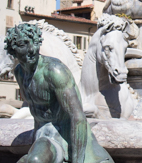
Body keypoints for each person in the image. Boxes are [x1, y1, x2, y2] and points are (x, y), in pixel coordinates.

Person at [6, 24, 113, 163]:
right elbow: (35, 112)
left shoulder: (54, 70)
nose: (32, 49)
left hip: (65, 134)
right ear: (13, 50)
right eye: (23, 45)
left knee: (35, 160)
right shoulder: (19, 73)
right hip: (45, 135)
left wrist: (77, 160)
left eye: (35, 43)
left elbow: (78, 116)